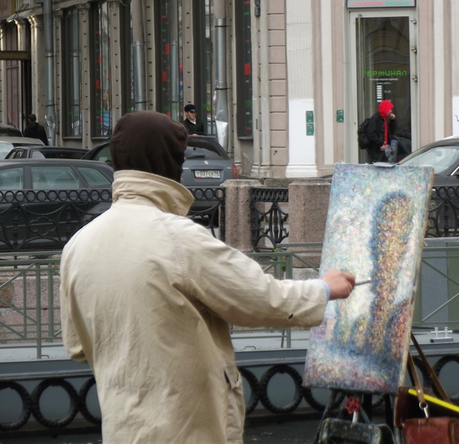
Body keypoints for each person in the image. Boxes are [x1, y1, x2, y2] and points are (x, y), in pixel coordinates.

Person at [60, 111, 355, 444]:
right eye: (180, 159)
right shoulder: (178, 237)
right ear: (168, 163)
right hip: (185, 429)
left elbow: (77, 345)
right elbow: (260, 298)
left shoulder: (78, 245)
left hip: (122, 430)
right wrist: (323, 289)